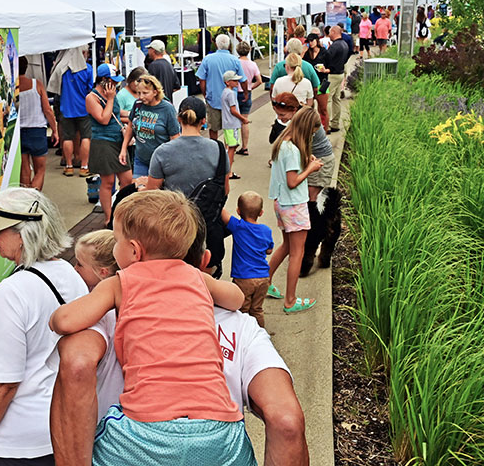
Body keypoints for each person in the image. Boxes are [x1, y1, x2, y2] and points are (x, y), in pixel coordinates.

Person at [49, 202, 309, 466]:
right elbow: (236, 298)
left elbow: (67, 321)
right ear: (203, 259)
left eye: (116, 240)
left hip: (146, 433)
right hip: (220, 430)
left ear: (135, 251)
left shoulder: (120, 283)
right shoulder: (198, 279)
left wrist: (55, 318)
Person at [0, 188, 88, 466]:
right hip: (63, 424)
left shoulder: (13, 290)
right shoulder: (68, 273)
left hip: (19, 439)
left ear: (23, 235)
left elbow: (5, 381)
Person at [146, 96, 230, 275]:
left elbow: (151, 196)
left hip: (175, 232)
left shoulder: (162, 152)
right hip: (208, 232)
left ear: (178, 119)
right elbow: (225, 189)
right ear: (203, 121)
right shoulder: (219, 149)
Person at [267, 107, 323, 313]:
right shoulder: (292, 149)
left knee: (287, 246)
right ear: (307, 127)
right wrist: (310, 169)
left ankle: (266, 282)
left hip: (281, 203)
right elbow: (293, 182)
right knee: (297, 253)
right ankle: (290, 300)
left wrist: (305, 163)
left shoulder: (282, 143)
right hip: (294, 205)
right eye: (313, 132)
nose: (313, 135)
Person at [86, 64, 132, 225]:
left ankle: (121, 211)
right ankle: (108, 217)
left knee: (127, 179)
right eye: (113, 81)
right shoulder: (91, 98)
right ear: (104, 80)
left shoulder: (114, 94)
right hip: (103, 141)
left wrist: (134, 113)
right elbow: (104, 118)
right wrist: (111, 98)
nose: (116, 84)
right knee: (108, 181)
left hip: (118, 141)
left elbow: (117, 113)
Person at [221, 191, 274, 328]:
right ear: (261, 212)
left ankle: (242, 336)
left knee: (242, 310)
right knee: (257, 310)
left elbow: (222, 213)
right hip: (263, 278)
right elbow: (269, 250)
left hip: (244, 278)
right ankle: (260, 335)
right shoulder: (266, 230)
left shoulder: (238, 227)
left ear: (238, 211)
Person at [119, 74, 180, 179]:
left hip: (162, 162)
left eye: (145, 93)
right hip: (141, 159)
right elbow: (130, 126)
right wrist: (123, 149)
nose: (141, 97)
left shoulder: (167, 109)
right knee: (139, 191)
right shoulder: (138, 104)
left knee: (157, 193)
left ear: (155, 92)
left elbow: (175, 137)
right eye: (138, 93)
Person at [18, 56, 60, 191]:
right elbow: (47, 110)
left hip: (19, 131)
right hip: (37, 130)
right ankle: (34, 198)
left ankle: (25, 198)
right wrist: (55, 129)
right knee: (40, 169)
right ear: (27, 67)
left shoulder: (13, 87)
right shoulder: (37, 84)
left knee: (24, 168)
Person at [196, 33, 243, 141]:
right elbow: (243, 79)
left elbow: (201, 78)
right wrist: (245, 93)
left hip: (214, 99)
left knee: (213, 128)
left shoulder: (207, 59)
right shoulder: (235, 59)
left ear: (216, 44)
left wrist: (205, 94)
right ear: (229, 44)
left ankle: (215, 149)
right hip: (231, 101)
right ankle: (228, 151)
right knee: (230, 129)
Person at [56, 47, 94, 178]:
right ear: (83, 53)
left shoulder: (63, 68)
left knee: (67, 138)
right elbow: (90, 89)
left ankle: (69, 166)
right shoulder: (88, 69)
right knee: (85, 137)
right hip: (84, 108)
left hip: (66, 108)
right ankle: (84, 167)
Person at [221, 70, 248, 180]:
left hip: (227, 123)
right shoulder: (231, 94)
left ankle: (227, 170)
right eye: (234, 80)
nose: (237, 82)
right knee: (232, 148)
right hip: (232, 124)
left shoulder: (224, 92)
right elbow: (233, 110)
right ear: (228, 82)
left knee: (229, 147)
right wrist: (243, 118)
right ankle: (229, 172)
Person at [236, 42, 261, 156]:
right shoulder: (253, 64)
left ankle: (232, 145)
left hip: (236, 92)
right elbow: (259, 80)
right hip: (248, 92)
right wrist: (250, 87)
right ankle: (245, 146)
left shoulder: (235, 63)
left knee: (233, 119)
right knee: (245, 120)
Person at [324, 26, 349, 133]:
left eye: (330, 32)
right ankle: (335, 123)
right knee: (336, 99)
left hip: (331, 75)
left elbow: (327, 58)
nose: (329, 34)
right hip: (340, 73)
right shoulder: (344, 44)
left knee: (326, 99)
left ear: (334, 32)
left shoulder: (335, 46)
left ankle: (326, 124)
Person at [303, 32, 331, 129]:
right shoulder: (307, 53)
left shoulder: (324, 52)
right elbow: (300, 63)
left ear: (317, 40)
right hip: (309, 84)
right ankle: (311, 128)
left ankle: (325, 129)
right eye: (308, 41)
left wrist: (325, 70)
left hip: (322, 82)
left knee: (323, 109)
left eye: (312, 41)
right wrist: (303, 51)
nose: (310, 43)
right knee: (308, 108)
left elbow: (331, 68)